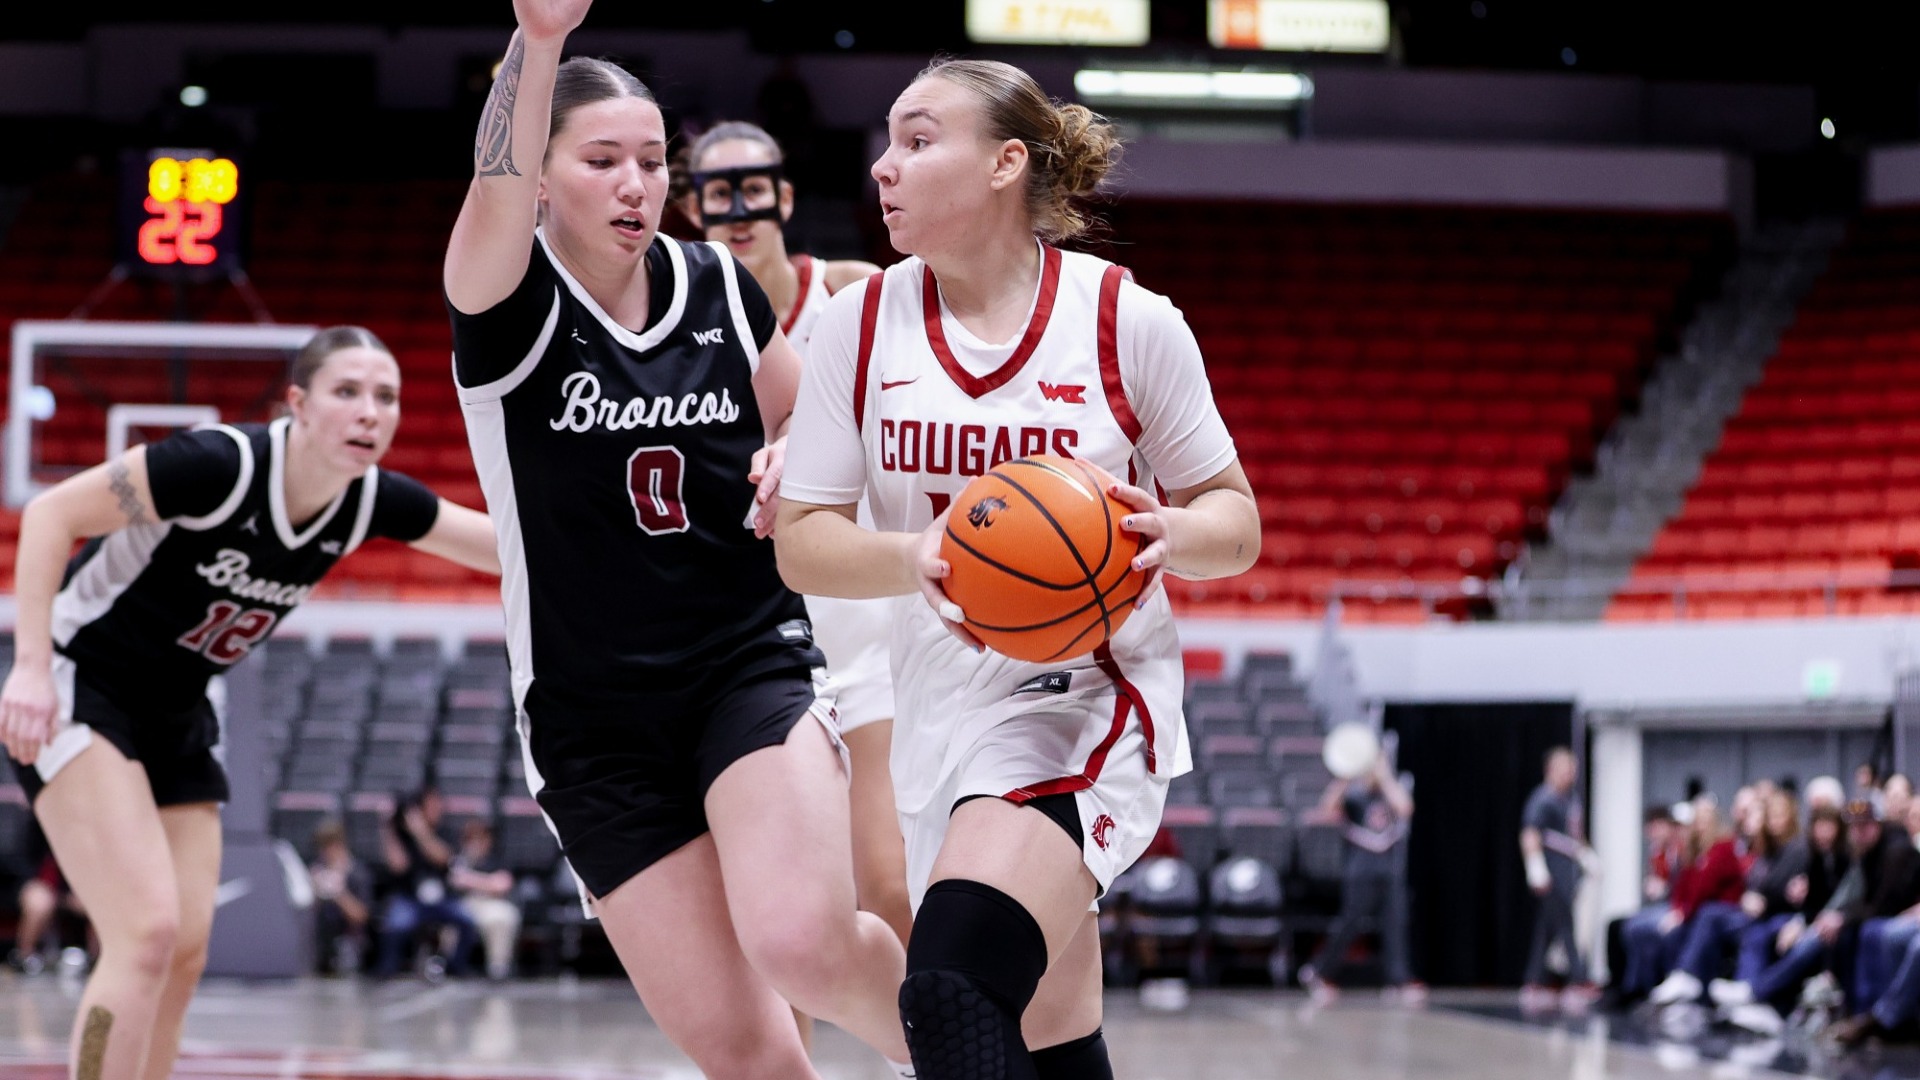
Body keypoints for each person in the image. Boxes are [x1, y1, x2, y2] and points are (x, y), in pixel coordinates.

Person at [443, 3, 911, 1076]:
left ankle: (978, 1057)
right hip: (588, 720)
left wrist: (796, 451)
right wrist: (542, 42)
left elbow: (805, 417)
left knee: (804, 942)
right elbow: (490, 187)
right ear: (545, 177)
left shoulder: (718, 288)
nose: (635, 183)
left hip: (742, 663)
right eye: (602, 159)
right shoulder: (505, 304)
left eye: (653, 161)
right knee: (747, 1055)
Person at [778, 56, 1261, 1079]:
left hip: (1085, 694)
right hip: (938, 704)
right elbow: (802, 536)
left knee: (949, 986)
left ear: (1006, 163)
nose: (883, 167)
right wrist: (918, 554)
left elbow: (1237, 520)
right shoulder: (856, 330)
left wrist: (1174, 530)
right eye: (886, 141)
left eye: (917, 140)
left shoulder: (1127, 321)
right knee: (1051, 1033)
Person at [0, 325, 499, 1080]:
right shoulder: (216, 463)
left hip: (178, 709)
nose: (371, 411)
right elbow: (50, 515)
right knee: (144, 933)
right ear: (298, 403)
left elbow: (508, 549)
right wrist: (30, 668)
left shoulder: (366, 503)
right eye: (348, 392)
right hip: (82, 683)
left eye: (387, 397)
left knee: (188, 947)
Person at [676, 121, 908, 950]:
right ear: (691, 206)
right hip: (747, 623)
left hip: (852, 614)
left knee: (887, 883)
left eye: (753, 187)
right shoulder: (678, 322)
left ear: (784, 194)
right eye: (717, 191)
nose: (738, 209)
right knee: (783, 915)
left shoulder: (853, 291)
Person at [1715, 798, 1920, 1036]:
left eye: (1865, 825)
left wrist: (1837, 918)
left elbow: (1882, 903)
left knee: (1868, 934)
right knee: (1766, 932)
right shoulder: (1850, 853)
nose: (1859, 832)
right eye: (1855, 826)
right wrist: (1805, 916)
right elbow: (1826, 901)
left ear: (1878, 824)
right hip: (1845, 919)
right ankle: (1765, 1001)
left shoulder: (1893, 851)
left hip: (1880, 919)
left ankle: (1878, 1017)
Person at [1650, 788, 1801, 1006]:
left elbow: (1769, 888)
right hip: (1752, 911)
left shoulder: (1790, 849)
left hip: (1776, 915)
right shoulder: (1762, 850)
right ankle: (1690, 989)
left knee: (1712, 917)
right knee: (1699, 922)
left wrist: (1759, 898)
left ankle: (1728, 990)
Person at [1301, 749, 1420, 1001]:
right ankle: (1319, 973)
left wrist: (1386, 777)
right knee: (1349, 923)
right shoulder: (1354, 795)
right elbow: (1326, 809)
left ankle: (1398, 980)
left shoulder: (1389, 792)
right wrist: (1346, 774)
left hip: (1390, 870)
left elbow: (1406, 808)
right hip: (1360, 870)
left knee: (1395, 924)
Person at [1620, 797, 1744, 1002]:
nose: (1702, 825)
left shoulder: (1723, 847)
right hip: (1693, 911)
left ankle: (1681, 980)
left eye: (1706, 819)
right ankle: (1641, 989)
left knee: (1673, 932)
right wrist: (1678, 909)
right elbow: (1683, 887)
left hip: (1717, 911)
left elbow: (1706, 888)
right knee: (1633, 926)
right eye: (1698, 820)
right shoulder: (1693, 851)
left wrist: (1682, 914)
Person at [373, 785, 480, 979]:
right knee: (395, 924)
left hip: (443, 898)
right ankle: (388, 970)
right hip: (410, 898)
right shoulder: (401, 833)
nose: (437, 808)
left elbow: (443, 858)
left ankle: (456, 968)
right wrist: (387, 827)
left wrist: (420, 831)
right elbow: (398, 866)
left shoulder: (445, 830)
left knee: (467, 921)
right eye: (431, 805)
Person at [1521, 747, 1594, 1009]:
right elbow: (1530, 833)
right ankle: (1578, 978)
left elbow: (1576, 834)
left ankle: (1534, 980)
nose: (1571, 774)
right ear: (1551, 769)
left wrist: (1587, 855)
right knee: (1565, 926)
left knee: (1547, 929)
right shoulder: (1543, 799)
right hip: (1552, 875)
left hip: (1569, 874)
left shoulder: (1571, 799)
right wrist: (1535, 867)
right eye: (1566, 769)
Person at [451, 819, 521, 980]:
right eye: (472, 839)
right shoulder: (460, 859)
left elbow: (503, 884)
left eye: (481, 838)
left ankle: (498, 968)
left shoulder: (497, 859)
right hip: (465, 903)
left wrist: (471, 880)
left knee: (502, 917)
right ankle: (451, 965)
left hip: (491, 903)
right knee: (452, 916)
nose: (477, 843)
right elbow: (454, 881)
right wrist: (485, 881)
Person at [308, 819, 373, 975]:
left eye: (327, 846)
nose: (323, 853)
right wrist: (314, 889)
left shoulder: (357, 873)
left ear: (338, 845)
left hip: (349, 943)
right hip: (320, 943)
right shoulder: (317, 870)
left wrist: (338, 892)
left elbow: (361, 917)